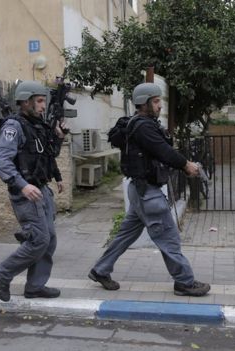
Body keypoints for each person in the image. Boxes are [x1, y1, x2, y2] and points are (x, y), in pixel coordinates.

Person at [88, 82, 210, 297]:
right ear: (143, 104)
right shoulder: (143, 126)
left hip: (139, 191)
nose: (159, 105)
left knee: (125, 236)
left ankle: (100, 270)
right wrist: (186, 165)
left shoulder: (143, 124)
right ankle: (184, 282)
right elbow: (163, 151)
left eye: (159, 101)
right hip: (148, 193)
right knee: (168, 237)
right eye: (155, 101)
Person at [0, 80, 65, 302]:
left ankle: (35, 286)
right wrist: (22, 185)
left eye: (44, 101)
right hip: (26, 193)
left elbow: (46, 155)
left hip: (41, 189)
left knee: (49, 240)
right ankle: (3, 273)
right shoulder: (14, 127)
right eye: (40, 101)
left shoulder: (36, 125)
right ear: (25, 101)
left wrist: (59, 140)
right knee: (39, 240)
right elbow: (2, 162)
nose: (43, 106)